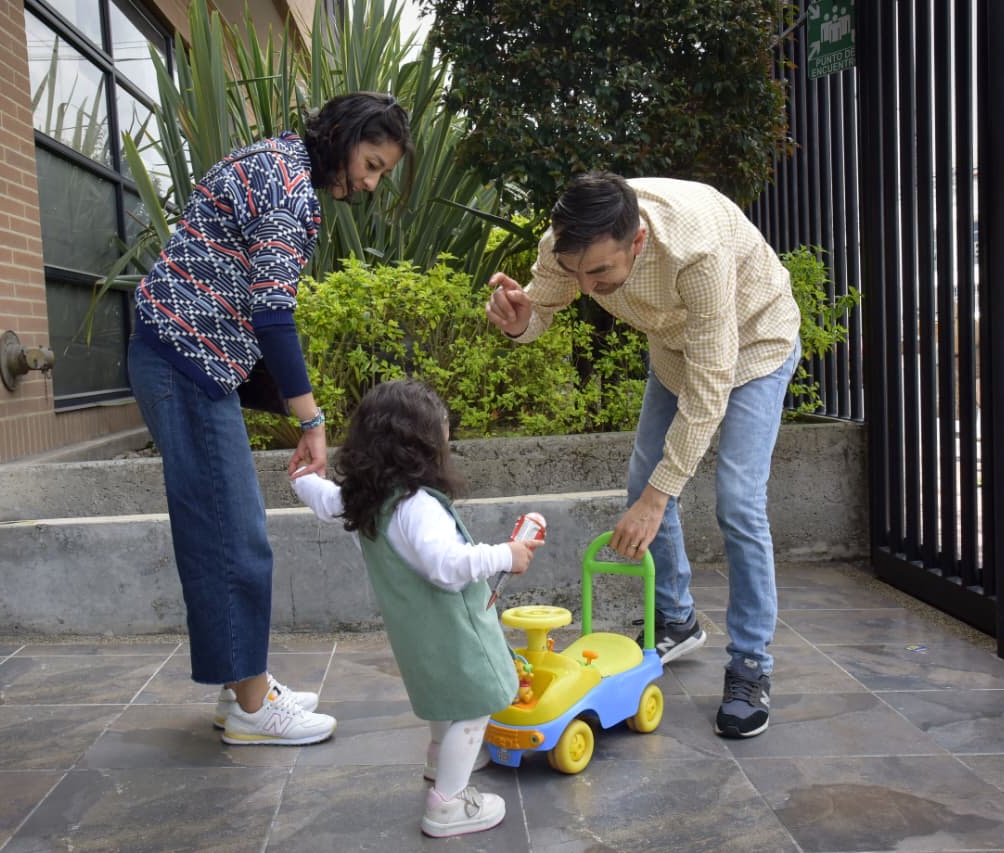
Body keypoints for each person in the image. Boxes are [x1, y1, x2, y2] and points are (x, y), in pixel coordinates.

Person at [127, 92, 412, 747]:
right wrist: (312, 421)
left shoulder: (274, 158)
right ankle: (254, 709)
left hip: (181, 355)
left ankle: (241, 690)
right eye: (370, 164)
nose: (369, 183)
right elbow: (272, 313)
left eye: (380, 174)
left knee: (227, 527)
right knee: (233, 536)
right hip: (182, 360)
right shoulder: (291, 193)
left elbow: (242, 298)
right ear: (340, 138)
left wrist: (289, 412)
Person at [485, 171, 801, 739]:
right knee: (641, 482)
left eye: (600, 272)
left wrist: (661, 499)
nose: (588, 284)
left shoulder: (695, 252)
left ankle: (752, 662)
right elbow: (542, 306)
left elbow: (711, 388)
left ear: (637, 243)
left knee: (737, 500)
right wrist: (520, 322)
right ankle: (677, 620)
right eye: (578, 272)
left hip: (756, 344)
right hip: (680, 351)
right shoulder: (569, 245)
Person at [291, 379, 541, 839]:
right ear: (421, 445)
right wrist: (507, 554)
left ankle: (438, 757)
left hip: (415, 635)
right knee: (475, 705)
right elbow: (448, 567)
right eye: (442, 431)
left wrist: (303, 475)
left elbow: (323, 499)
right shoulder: (418, 505)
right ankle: (447, 803)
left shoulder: (365, 498)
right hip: (453, 630)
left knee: (440, 693)